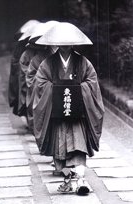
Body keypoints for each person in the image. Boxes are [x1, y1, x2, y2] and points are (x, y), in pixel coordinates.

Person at [33, 45, 104, 195]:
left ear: (73, 43)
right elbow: (40, 83)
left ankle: (80, 180)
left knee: (78, 147)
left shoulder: (82, 62)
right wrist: (54, 89)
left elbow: (92, 81)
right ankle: (66, 180)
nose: (65, 45)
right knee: (60, 154)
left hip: (77, 115)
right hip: (58, 115)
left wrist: (79, 89)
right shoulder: (48, 63)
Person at [26, 45, 58, 132]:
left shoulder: (74, 58)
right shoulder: (38, 58)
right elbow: (30, 77)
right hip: (45, 93)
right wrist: (43, 81)